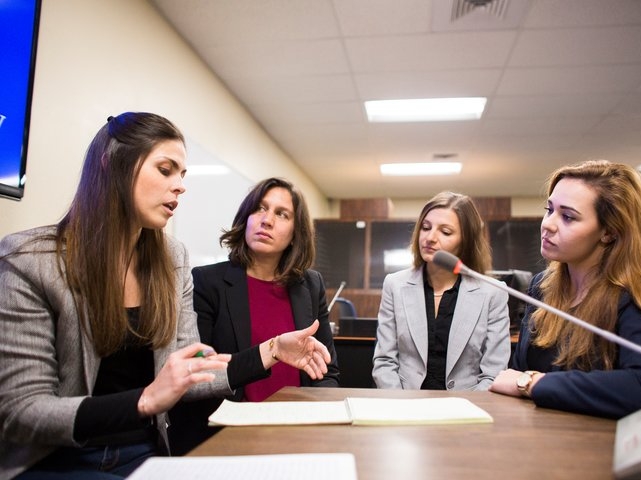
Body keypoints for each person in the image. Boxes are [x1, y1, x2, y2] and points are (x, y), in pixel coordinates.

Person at [0, 113, 331, 479]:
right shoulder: (28, 261)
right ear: (113, 165)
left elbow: (192, 372)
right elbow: (21, 411)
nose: (179, 186)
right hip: (58, 459)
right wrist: (145, 400)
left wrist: (274, 350)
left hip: (148, 453)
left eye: (182, 175)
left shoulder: (172, 261)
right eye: (165, 169)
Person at [489, 160, 641, 419]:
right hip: (542, 435)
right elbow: (518, 370)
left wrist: (532, 384)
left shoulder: (639, 292)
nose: (548, 225)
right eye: (549, 210)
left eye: (567, 217)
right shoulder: (543, 286)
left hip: (605, 442)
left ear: (609, 232)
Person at [168, 177, 340, 454]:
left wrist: (317, 421)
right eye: (260, 209)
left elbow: (327, 372)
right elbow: (199, 374)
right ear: (245, 218)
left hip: (296, 432)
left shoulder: (310, 285)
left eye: (281, 214)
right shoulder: (206, 282)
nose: (267, 220)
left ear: (296, 233)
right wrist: (271, 351)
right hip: (228, 433)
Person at [372, 191, 511, 391]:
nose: (430, 238)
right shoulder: (394, 285)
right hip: (405, 407)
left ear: (466, 241)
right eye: (426, 228)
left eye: (445, 232)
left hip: (467, 410)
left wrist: (464, 412)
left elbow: (493, 373)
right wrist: (400, 406)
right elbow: (385, 361)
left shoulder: (493, 293)